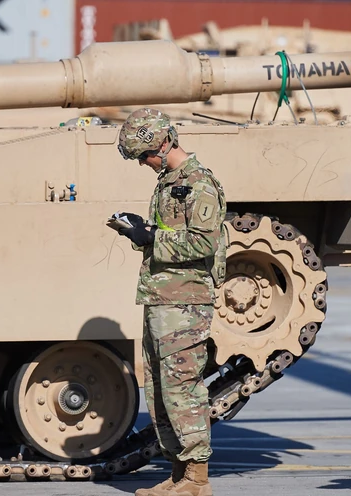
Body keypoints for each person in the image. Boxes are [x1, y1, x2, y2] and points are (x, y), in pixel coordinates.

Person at [116, 108, 227, 496]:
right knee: (160, 389)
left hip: (186, 303)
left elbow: (204, 243)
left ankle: (197, 479)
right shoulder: (168, 183)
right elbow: (172, 235)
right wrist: (140, 231)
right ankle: (179, 474)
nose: (143, 163)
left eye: (145, 155)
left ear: (164, 143)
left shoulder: (199, 183)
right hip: (162, 298)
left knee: (182, 388)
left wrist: (153, 238)